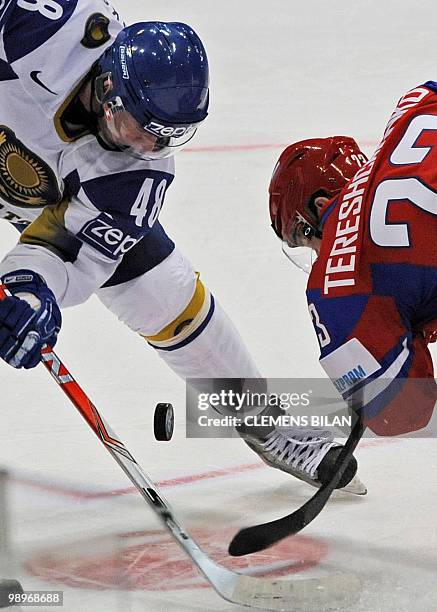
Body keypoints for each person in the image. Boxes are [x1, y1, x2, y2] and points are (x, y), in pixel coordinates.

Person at [0, 0, 364, 495]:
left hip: (46, 196)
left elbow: (63, 249)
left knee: (164, 292)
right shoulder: (46, 27)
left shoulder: (137, 174)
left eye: (171, 135)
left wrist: (29, 288)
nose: (151, 148)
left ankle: (268, 424)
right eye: (143, 129)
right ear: (109, 89)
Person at [269, 82, 437, 445]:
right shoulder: (410, 111)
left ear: (317, 207)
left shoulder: (336, 281)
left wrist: (411, 326)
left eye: (304, 239)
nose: (316, 253)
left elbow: (401, 414)